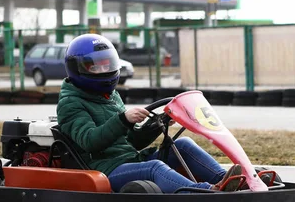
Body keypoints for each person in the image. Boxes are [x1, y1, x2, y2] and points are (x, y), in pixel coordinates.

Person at [56, 33, 243, 193]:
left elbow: (133, 142)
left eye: (107, 65)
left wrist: (156, 125)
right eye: (96, 67)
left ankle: (230, 182)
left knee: (183, 144)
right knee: (155, 168)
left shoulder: (111, 96)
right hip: (104, 168)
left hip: (130, 159)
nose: (104, 71)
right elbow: (90, 142)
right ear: (77, 68)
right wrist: (123, 120)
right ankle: (207, 192)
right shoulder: (70, 103)